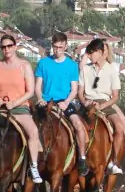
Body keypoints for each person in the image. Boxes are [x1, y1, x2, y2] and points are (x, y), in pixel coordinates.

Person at [0, 34, 43, 184]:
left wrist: (14, 103)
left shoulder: (24, 65)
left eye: (9, 46)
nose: (6, 49)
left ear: (15, 47)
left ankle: (33, 166)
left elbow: (30, 91)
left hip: (20, 109)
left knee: (33, 132)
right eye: (3, 47)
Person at [79, 38, 125, 174]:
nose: (89, 56)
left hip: (105, 103)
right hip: (88, 103)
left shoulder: (112, 70)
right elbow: (80, 92)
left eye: (91, 53)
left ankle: (115, 161)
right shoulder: (85, 69)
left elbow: (115, 96)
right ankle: (79, 159)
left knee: (119, 126)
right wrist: (84, 102)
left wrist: (102, 105)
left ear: (99, 52)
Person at [34, 32, 88, 175]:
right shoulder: (43, 63)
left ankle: (82, 158)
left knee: (78, 125)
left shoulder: (71, 65)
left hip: (64, 102)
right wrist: (40, 98)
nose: (58, 50)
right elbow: (37, 86)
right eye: (55, 47)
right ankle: (30, 161)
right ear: (52, 46)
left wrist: (66, 102)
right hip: (45, 102)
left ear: (65, 46)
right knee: (31, 126)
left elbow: (74, 89)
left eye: (61, 47)